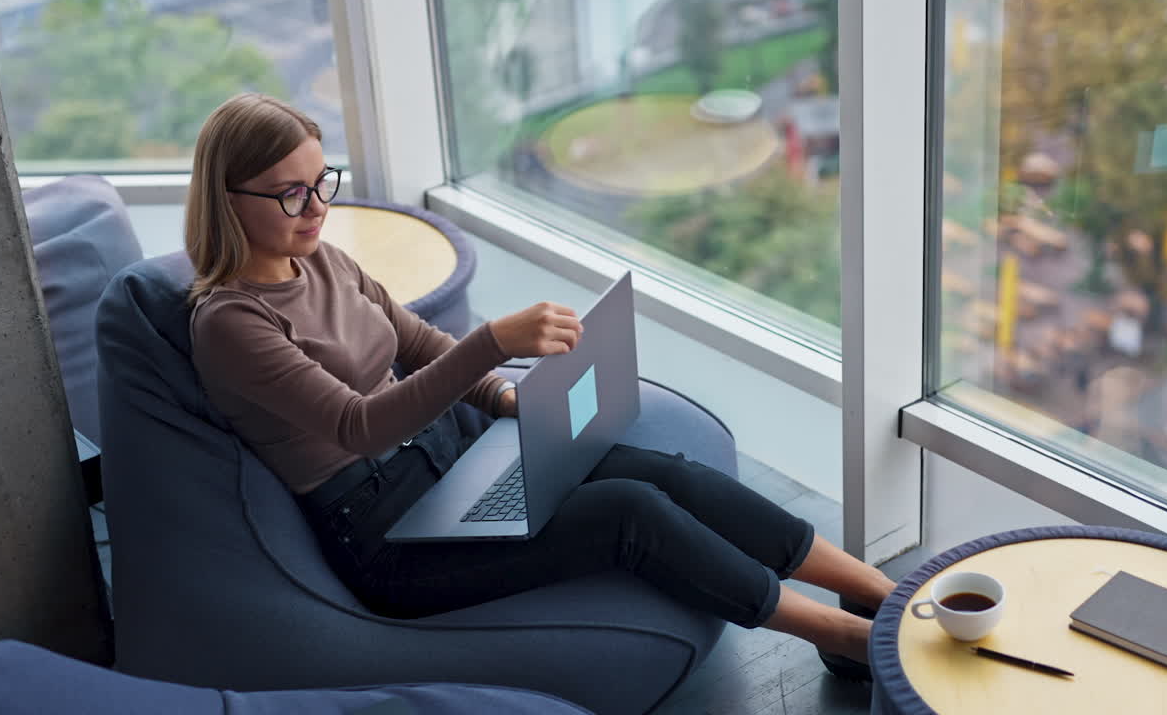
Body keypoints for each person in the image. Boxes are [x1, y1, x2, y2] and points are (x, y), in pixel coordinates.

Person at [186, 93, 895, 680]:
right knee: (627, 511)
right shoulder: (231, 322)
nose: (315, 207)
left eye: (321, 182)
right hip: (389, 538)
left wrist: (504, 397)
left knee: (659, 472)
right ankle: (845, 638)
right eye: (289, 194)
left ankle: (876, 591)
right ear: (228, 198)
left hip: (450, 465)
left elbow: (414, 340)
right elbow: (360, 427)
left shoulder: (325, 261)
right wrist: (492, 343)